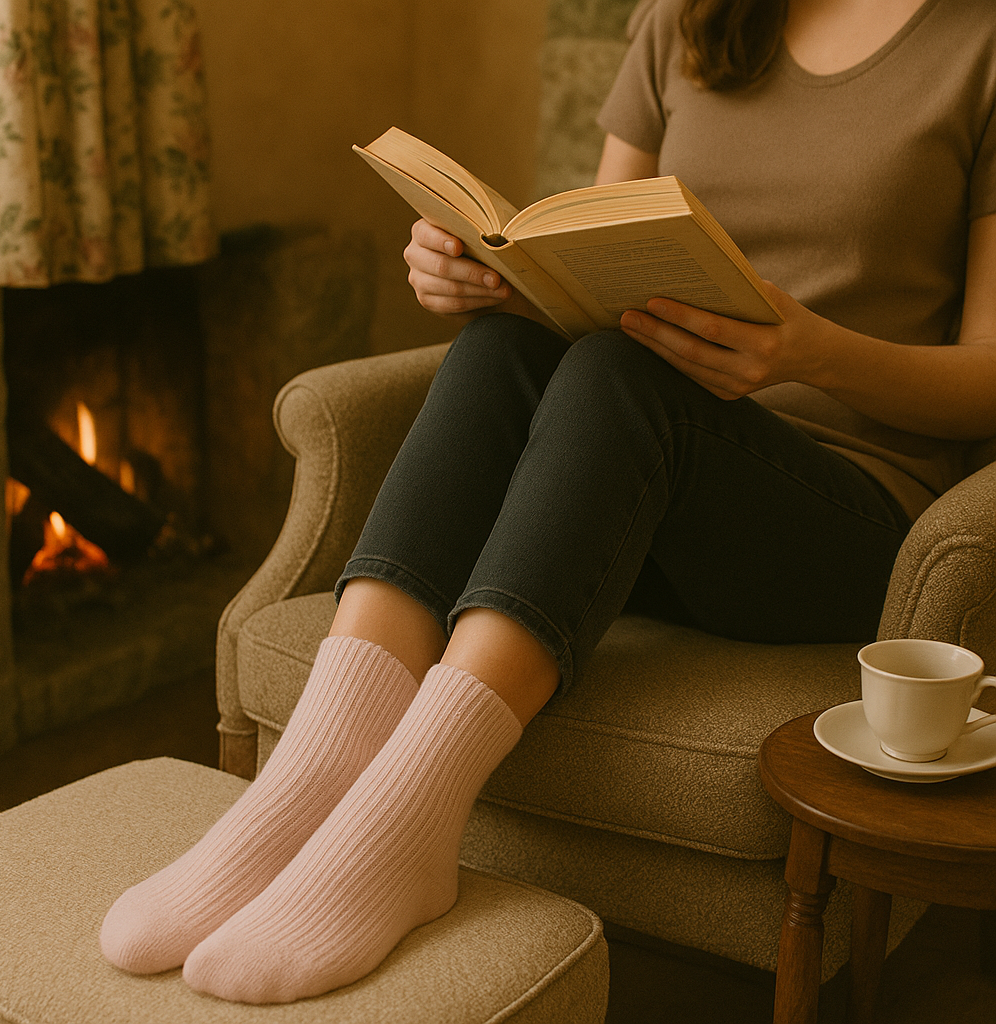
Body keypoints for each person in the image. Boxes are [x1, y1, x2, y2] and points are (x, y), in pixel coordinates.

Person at [99, 0, 996, 1004]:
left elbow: (988, 374)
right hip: (648, 478)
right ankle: (308, 781)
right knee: (505, 349)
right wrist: (485, 277)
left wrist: (804, 350)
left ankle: (406, 823)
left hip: (842, 515)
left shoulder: (980, 47)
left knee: (624, 378)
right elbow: (591, 277)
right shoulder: (685, 19)